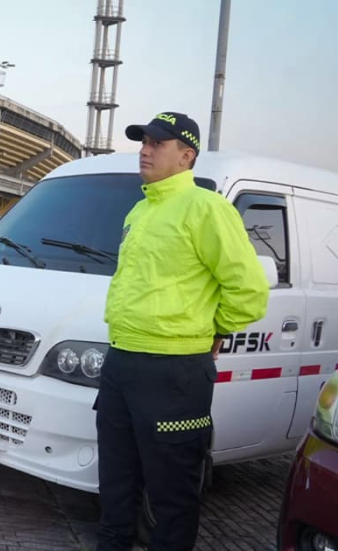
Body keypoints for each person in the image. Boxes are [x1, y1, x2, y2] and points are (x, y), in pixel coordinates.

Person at [95, 112, 270, 551]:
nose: (145, 150)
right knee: (116, 481)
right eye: (143, 142)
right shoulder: (140, 209)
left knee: (172, 492)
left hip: (175, 373)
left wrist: (218, 329)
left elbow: (248, 288)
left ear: (186, 156)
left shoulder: (207, 208)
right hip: (121, 362)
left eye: (158, 143)